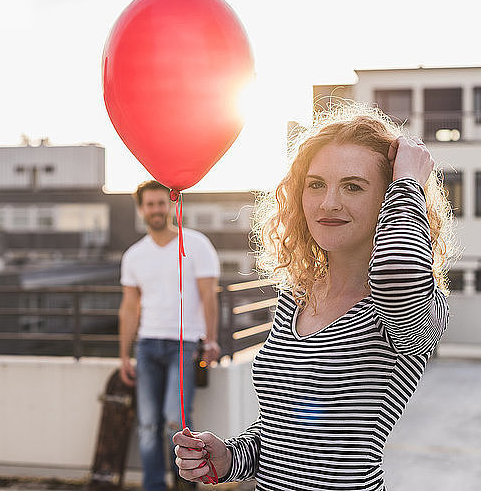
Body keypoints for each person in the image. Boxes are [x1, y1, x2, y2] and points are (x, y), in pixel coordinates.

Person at [173, 103, 456, 491]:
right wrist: (229, 458)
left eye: (353, 186)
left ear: (388, 201)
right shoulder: (297, 296)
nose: (328, 203)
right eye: (316, 183)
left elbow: (396, 271)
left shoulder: (413, 305)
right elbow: (282, 433)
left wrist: (409, 180)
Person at [118, 180, 221, 491]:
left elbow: (208, 296)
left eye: (161, 203)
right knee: (148, 425)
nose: (156, 209)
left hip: (185, 344)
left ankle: (186, 485)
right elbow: (129, 308)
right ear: (141, 210)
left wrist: (212, 339)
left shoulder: (196, 244)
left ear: (172, 205)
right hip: (147, 346)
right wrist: (124, 354)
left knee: (176, 421)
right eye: (149, 204)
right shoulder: (134, 255)